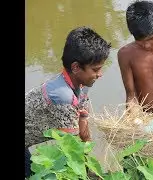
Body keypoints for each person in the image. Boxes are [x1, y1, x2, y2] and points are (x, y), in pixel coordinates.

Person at [25, 26, 111, 177]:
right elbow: (71, 149)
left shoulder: (81, 85)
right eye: (96, 69)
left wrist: (91, 163)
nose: (100, 74)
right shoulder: (63, 97)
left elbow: (82, 127)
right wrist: (88, 174)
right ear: (76, 67)